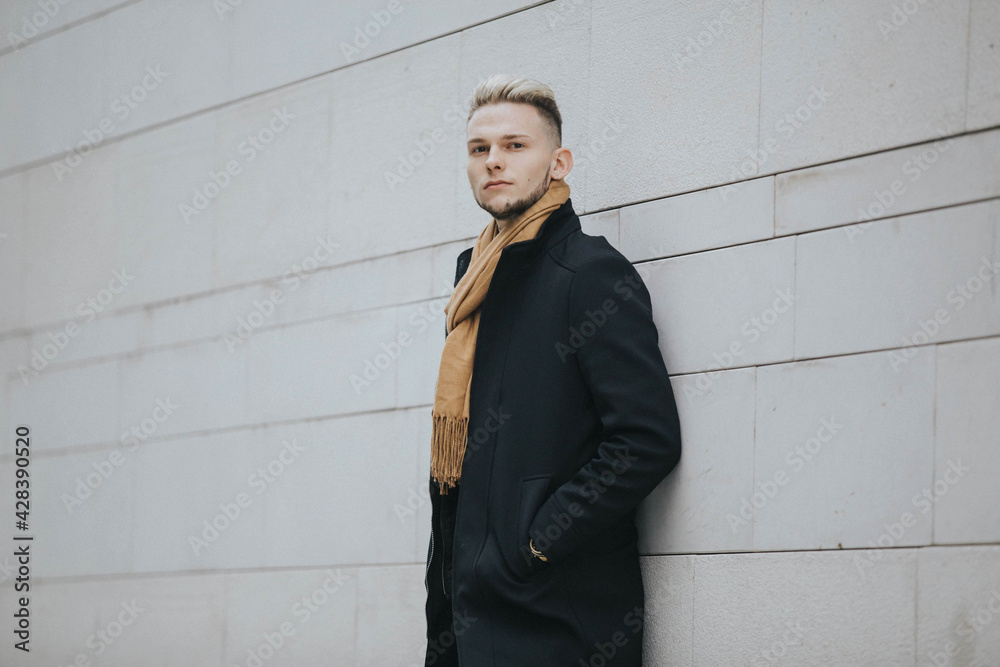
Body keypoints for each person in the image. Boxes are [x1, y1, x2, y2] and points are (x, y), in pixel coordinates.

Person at [423, 73, 682, 667]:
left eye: (516, 146)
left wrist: (535, 542)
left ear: (558, 162)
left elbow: (646, 439)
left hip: (557, 621)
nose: (494, 161)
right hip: (466, 618)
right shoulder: (474, 285)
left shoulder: (588, 273)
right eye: (479, 149)